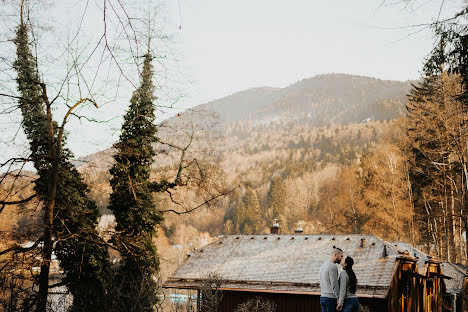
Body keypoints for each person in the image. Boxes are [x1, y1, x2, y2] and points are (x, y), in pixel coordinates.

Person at [320, 246, 343, 312]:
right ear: (335, 255)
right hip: (330, 298)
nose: (341, 258)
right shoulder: (333, 267)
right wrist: (339, 298)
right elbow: (334, 284)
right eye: (341, 256)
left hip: (322, 297)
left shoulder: (323, 265)